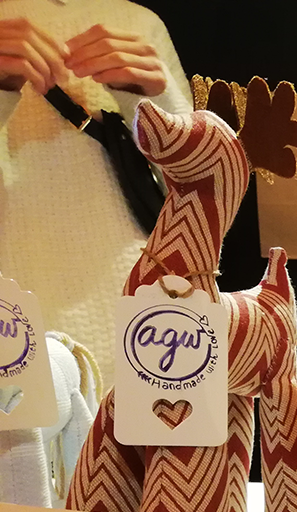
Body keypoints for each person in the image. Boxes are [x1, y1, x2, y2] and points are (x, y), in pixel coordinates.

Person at [0, 1, 190, 387]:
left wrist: (157, 103)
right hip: (18, 320)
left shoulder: (139, 23)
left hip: (146, 320)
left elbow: (202, 192)